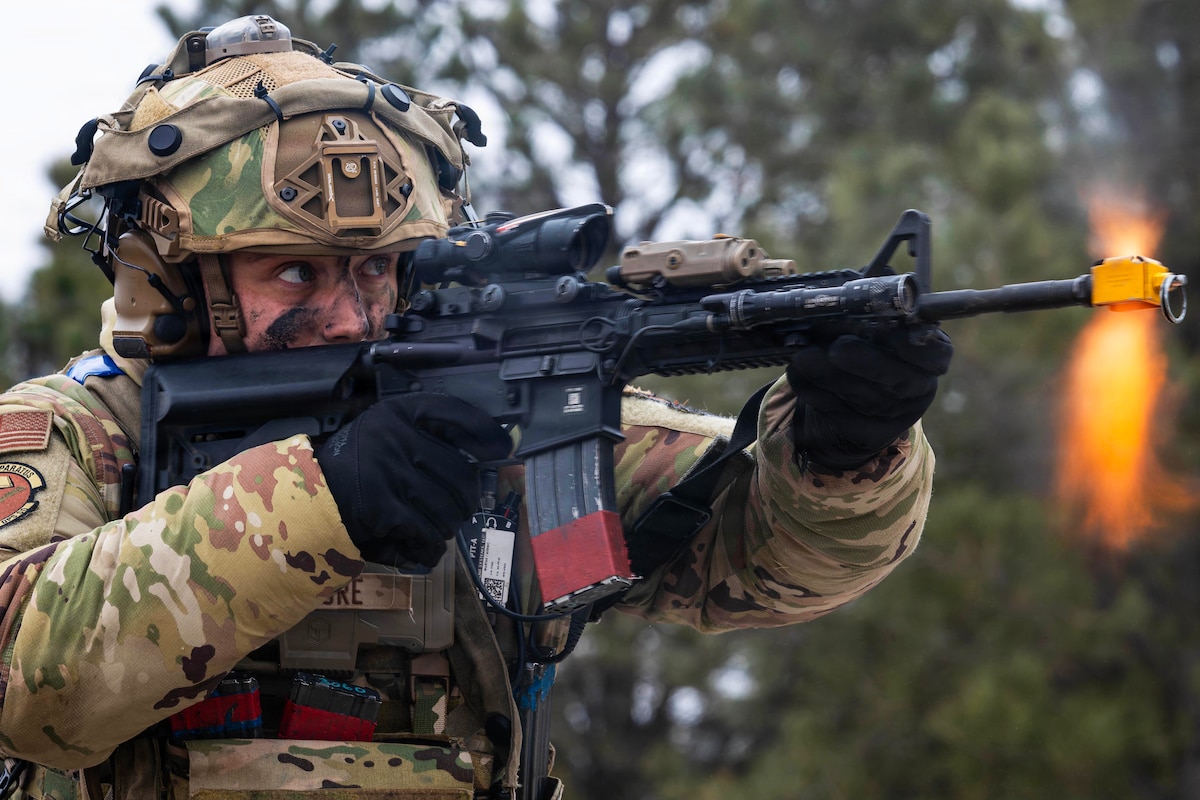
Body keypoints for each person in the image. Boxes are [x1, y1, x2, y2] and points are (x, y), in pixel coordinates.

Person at [0, 14, 952, 800]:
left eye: (377, 269)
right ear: (173, 282)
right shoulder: (82, 433)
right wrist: (324, 497)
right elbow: (25, 680)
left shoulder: (478, 420)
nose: (348, 314)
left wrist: (845, 449)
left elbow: (764, 562)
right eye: (295, 273)